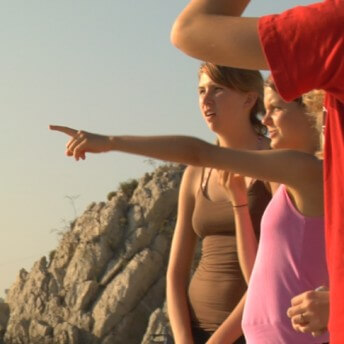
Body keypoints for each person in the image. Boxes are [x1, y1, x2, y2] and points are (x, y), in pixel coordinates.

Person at [50, 77, 328, 343]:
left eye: (277, 109)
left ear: (312, 113)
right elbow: (256, 274)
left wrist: (111, 142)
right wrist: (240, 206)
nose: (265, 120)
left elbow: (200, 153)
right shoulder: (288, 182)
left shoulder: (304, 170)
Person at [170, 1, 344, 342]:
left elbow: (190, 29)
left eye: (217, 89)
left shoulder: (286, 167)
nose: (206, 101)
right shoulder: (197, 174)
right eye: (201, 91)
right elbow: (178, 271)